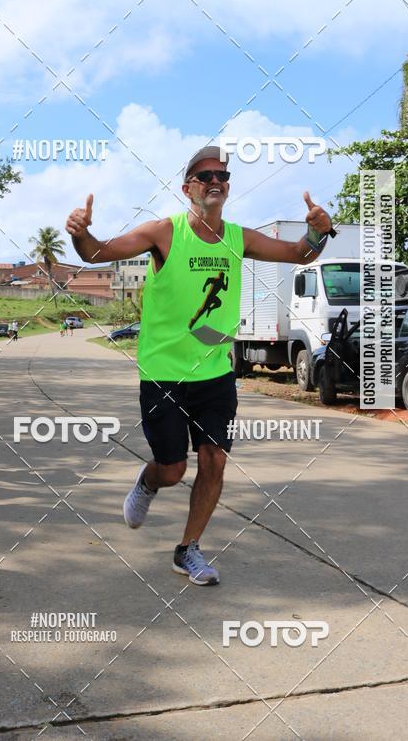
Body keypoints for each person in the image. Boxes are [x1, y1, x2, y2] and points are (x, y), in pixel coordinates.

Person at [66, 146, 334, 585]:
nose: (215, 181)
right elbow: (96, 254)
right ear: (187, 187)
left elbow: (299, 254)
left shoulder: (239, 237)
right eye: (205, 175)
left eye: (222, 176)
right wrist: (80, 233)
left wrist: (320, 233)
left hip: (215, 374)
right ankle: (150, 481)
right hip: (164, 373)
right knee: (173, 469)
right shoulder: (163, 233)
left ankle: (187, 549)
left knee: (214, 461)